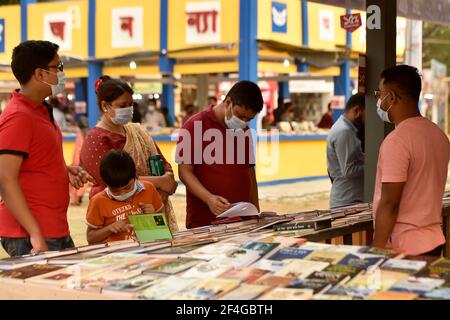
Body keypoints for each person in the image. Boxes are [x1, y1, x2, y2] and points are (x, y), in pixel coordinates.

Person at [0, 40, 92, 256]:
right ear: (40, 74)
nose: (62, 73)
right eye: (58, 67)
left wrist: (63, 170)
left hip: (53, 227)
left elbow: (34, 161)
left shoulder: (40, 111)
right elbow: (5, 180)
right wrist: (35, 234)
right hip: (30, 233)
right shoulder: (18, 117)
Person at [80, 76, 178, 232]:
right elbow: (111, 181)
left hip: (149, 210)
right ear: (105, 106)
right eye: (122, 105)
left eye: (130, 104)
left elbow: (162, 163)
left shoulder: (137, 131)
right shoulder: (96, 139)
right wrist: (159, 183)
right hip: (116, 218)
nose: (128, 109)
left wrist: (161, 191)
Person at [371, 65, 450, 257]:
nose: (379, 101)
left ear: (391, 97)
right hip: (433, 240)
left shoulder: (397, 141)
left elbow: (390, 202)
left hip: (404, 246)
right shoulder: (438, 135)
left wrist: (376, 250)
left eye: (380, 95)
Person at [176, 80, 263, 228]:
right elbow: (184, 172)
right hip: (205, 221)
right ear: (228, 102)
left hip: (242, 220)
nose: (244, 123)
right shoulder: (194, 125)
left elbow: (249, 171)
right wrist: (209, 198)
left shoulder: (244, 131)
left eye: (249, 119)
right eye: (241, 116)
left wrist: (255, 211)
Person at [86, 150, 163, 244]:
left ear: (135, 177)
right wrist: (109, 229)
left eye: (127, 187)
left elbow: (162, 227)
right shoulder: (98, 201)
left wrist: (154, 215)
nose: (122, 193)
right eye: (115, 190)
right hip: (115, 254)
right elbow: (90, 237)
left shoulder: (149, 189)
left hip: (147, 247)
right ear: (106, 184)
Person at [326, 94, 365, 209]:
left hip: (349, 198)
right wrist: (374, 163)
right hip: (347, 202)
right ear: (357, 110)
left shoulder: (345, 129)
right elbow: (349, 170)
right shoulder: (344, 132)